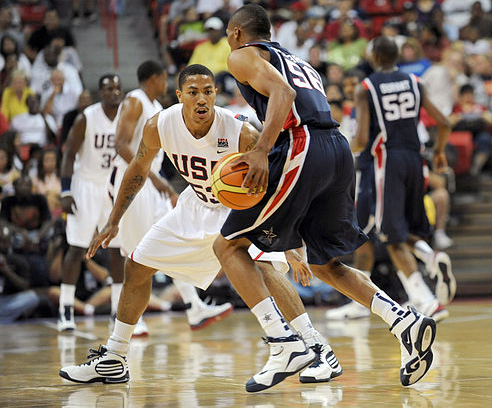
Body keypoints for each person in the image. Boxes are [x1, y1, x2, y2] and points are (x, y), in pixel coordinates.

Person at [59, 64, 342, 385]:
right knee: (136, 266)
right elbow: (137, 168)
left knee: (264, 267)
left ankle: (315, 347)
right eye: (192, 92)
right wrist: (114, 220)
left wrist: (289, 240)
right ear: (179, 96)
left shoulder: (240, 131)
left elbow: (276, 184)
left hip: (239, 210)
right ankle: (114, 358)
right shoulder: (159, 125)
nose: (201, 98)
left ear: (215, 94)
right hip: (195, 205)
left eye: (207, 91)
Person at [213, 4, 437, 392]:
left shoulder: (241, 54)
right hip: (336, 149)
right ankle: (404, 321)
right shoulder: (299, 61)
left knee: (228, 246)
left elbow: (282, 94)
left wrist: (262, 150)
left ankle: (284, 344)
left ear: (236, 33)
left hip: (303, 145)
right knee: (325, 264)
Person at [326, 36, 455, 322]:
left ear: (373, 56)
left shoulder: (367, 87)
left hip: (385, 162)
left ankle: (426, 296)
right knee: (368, 232)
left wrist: (336, 150)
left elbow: (360, 139)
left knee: (391, 234)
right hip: (415, 159)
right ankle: (364, 299)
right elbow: (444, 122)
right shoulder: (414, 81)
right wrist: (440, 153)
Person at [110, 60, 230, 336]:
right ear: (156, 78)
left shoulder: (156, 107)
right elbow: (120, 145)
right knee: (134, 250)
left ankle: (194, 307)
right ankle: (129, 320)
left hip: (152, 183)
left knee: (167, 241)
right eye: (164, 79)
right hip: (136, 182)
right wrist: (153, 179)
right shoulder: (135, 100)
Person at [57, 74, 127, 332]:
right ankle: (65, 309)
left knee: (117, 249)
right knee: (76, 248)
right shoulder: (86, 118)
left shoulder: (126, 117)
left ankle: (117, 311)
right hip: (84, 184)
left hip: (110, 186)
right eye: (109, 88)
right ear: (100, 93)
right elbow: (68, 155)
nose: (114, 92)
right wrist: (65, 191)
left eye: (118, 88)